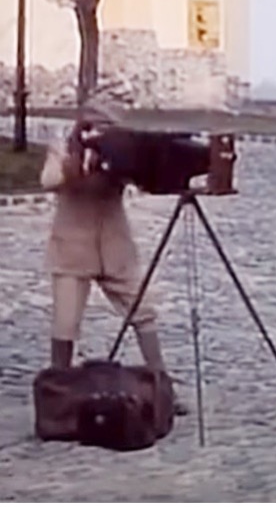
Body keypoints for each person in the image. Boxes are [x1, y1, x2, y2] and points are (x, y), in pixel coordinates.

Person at [39, 101, 186, 412]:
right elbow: (49, 180)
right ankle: (57, 395)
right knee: (65, 323)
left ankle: (162, 388)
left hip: (114, 247)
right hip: (72, 248)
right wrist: (77, 162)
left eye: (105, 127)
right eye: (92, 126)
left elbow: (145, 177)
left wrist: (129, 159)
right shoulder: (61, 149)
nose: (97, 133)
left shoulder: (120, 153)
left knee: (143, 310)